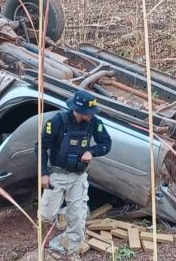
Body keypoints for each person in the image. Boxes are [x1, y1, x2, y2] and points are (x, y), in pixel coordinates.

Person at [36, 90, 112, 261]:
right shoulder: (57, 122)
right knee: (46, 215)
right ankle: (63, 213)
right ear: (77, 110)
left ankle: (70, 249)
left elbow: (106, 144)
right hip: (57, 173)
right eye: (87, 113)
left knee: (78, 216)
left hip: (79, 176)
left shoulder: (94, 123)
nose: (91, 116)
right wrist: (43, 174)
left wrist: (92, 151)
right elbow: (40, 147)